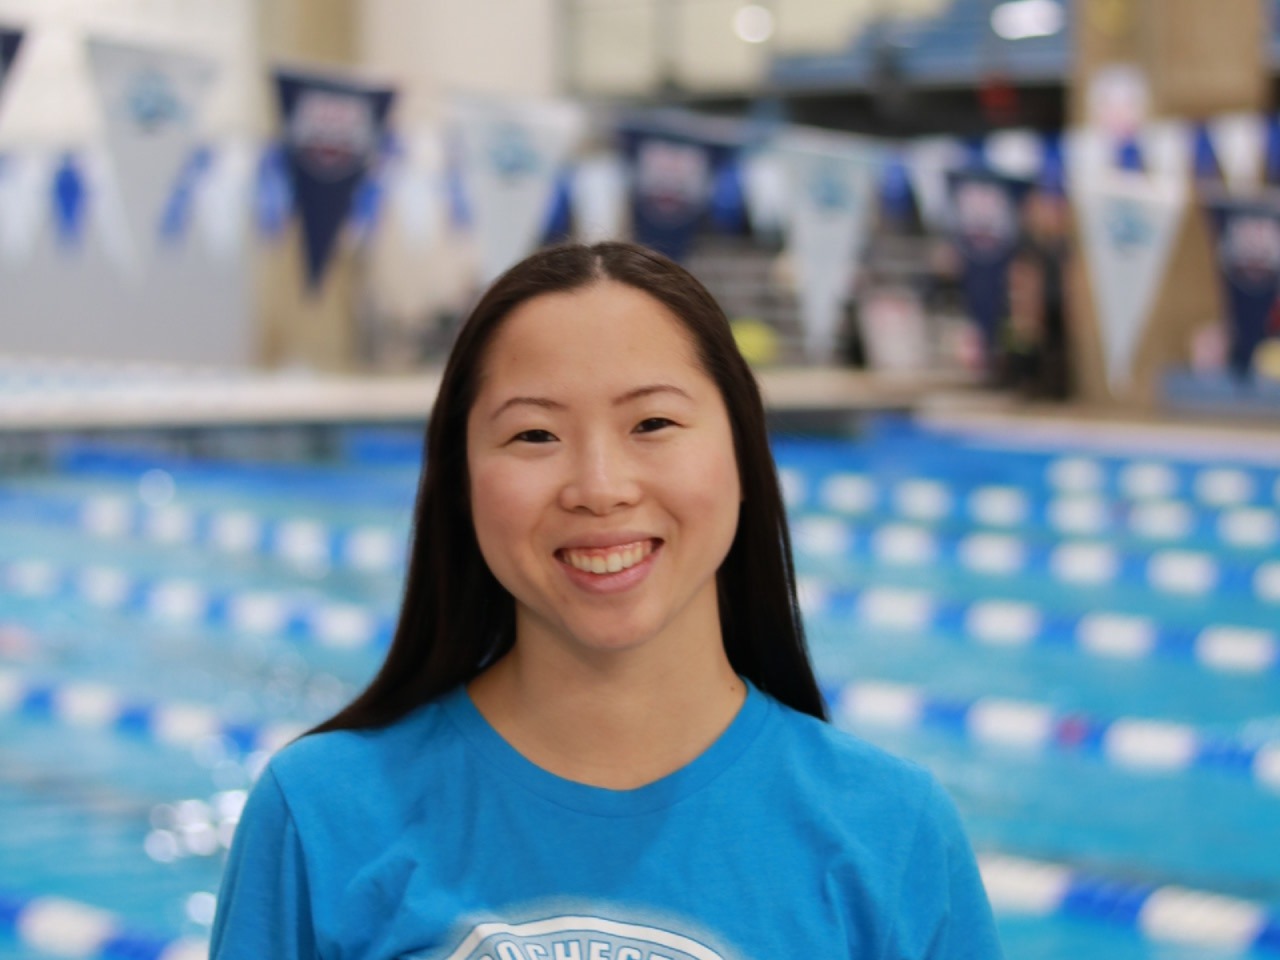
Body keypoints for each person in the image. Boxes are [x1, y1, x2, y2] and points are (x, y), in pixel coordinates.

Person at [211, 241, 1003, 960]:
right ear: (462, 483)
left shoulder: (891, 832)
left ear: (742, 454)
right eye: (534, 435)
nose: (599, 487)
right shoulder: (321, 814)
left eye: (652, 422)